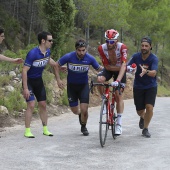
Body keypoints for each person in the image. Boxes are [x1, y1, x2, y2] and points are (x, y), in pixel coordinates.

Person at [55, 39, 103, 136]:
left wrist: (109, 69)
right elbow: (56, 65)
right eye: (79, 50)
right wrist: (58, 80)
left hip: (83, 86)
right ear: (76, 50)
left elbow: (99, 69)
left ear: (86, 49)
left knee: (84, 109)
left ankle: (83, 126)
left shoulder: (90, 58)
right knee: (75, 110)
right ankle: (80, 114)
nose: (81, 53)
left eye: (83, 50)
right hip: (72, 87)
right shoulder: (69, 56)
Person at [22, 31, 63, 138]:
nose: (52, 42)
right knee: (31, 105)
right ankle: (27, 131)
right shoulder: (33, 53)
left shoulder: (47, 51)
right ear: (43, 41)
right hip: (29, 82)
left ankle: (45, 129)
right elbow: (24, 70)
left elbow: (51, 62)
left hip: (38, 81)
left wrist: (59, 71)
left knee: (43, 105)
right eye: (50, 40)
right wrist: (25, 88)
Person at [97, 29, 128, 135]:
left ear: (116, 40)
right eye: (107, 41)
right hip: (110, 69)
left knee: (118, 95)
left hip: (120, 71)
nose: (109, 44)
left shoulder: (122, 47)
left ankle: (119, 123)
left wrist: (118, 80)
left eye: (111, 41)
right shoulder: (101, 48)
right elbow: (106, 66)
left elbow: (123, 65)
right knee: (100, 79)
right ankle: (105, 101)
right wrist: (114, 68)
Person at [127, 36, 158, 138]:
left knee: (149, 107)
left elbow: (154, 73)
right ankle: (143, 117)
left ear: (150, 47)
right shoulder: (136, 57)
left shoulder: (154, 58)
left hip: (150, 86)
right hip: (138, 86)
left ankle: (145, 128)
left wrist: (146, 71)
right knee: (140, 111)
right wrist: (130, 68)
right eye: (142, 45)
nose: (144, 47)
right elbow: (127, 66)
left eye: (146, 46)